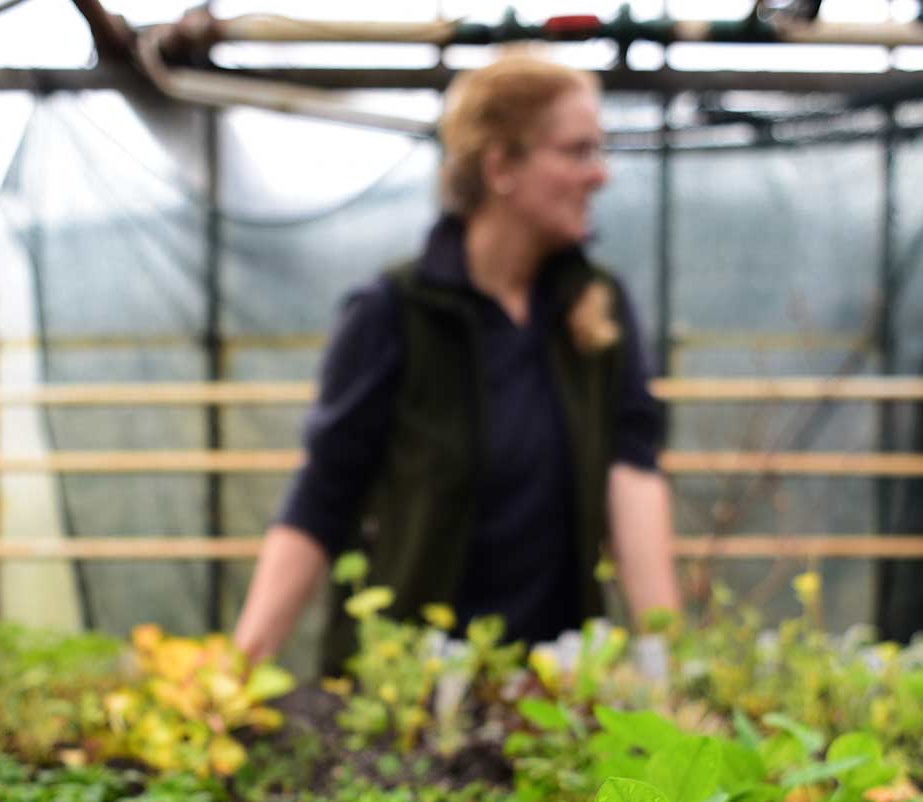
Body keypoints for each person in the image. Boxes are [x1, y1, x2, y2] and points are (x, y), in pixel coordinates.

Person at [229, 54, 679, 672]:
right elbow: (323, 495)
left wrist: (666, 661)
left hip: (554, 686)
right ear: (500, 166)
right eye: (577, 152)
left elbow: (631, 473)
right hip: (408, 688)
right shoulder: (396, 312)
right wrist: (240, 671)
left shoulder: (595, 307)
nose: (599, 175)